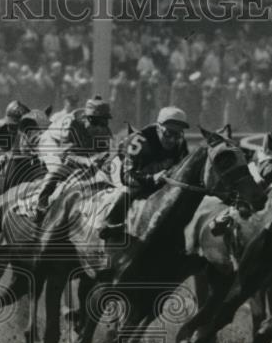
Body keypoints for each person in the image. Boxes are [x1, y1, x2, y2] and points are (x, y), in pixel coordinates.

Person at [98, 106, 190, 241]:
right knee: (130, 189)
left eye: (177, 134)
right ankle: (109, 223)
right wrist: (152, 178)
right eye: (168, 133)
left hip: (150, 171)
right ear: (158, 127)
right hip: (121, 168)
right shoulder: (139, 141)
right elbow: (127, 177)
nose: (172, 139)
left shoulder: (181, 143)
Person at [30, 95, 113, 222]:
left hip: (77, 146)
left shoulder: (104, 130)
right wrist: (87, 161)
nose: (100, 128)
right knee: (59, 167)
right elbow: (65, 155)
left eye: (104, 122)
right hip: (53, 143)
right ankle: (40, 203)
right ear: (87, 118)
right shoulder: (71, 124)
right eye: (97, 122)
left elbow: (104, 154)